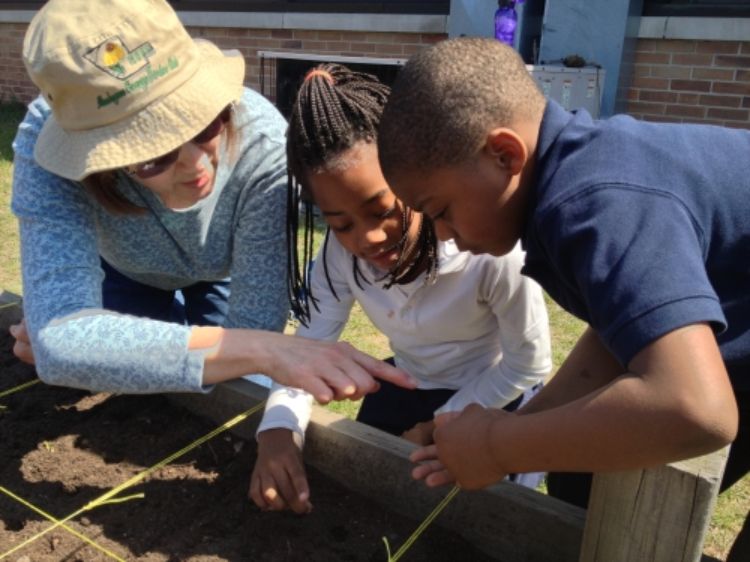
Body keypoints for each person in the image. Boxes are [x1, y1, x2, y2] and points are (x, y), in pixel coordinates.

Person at [376, 37, 749, 561]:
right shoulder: (573, 178)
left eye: (440, 210)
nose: (444, 235)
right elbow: (618, 335)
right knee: (579, 481)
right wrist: (513, 428)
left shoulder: (594, 202)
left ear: (504, 154)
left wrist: (494, 447)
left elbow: (695, 408)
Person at [7, 0, 414, 406]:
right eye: (154, 156)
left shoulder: (263, 144)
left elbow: (253, 324)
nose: (198, 165)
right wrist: (262, 349)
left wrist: (101, 348)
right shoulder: (47, 144)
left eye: (205, 124)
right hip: (125, 272)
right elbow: (59, 341)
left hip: (222, 271)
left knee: (227, 383)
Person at [249, 64, 551, 514]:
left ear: (411, 178)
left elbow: (529, 364)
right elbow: (307, 349)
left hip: (493, 395)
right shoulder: (340, 255)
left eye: (381, 210)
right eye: (341, 223)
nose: (366, 238)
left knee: (481, 515)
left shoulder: (490, 253)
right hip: (407, 385)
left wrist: (437, 426)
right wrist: (277, 430)